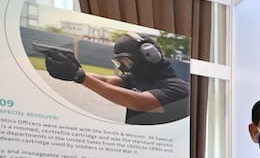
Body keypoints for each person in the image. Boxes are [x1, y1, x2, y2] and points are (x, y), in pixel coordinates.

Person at [42, 31, 190, 125]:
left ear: (149, 55)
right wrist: (74, 71)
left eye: (126, 61)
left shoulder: (178, 88)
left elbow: (139, 102)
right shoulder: (136, 78)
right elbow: (105, 81)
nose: (124, 67)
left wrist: (81, 77)